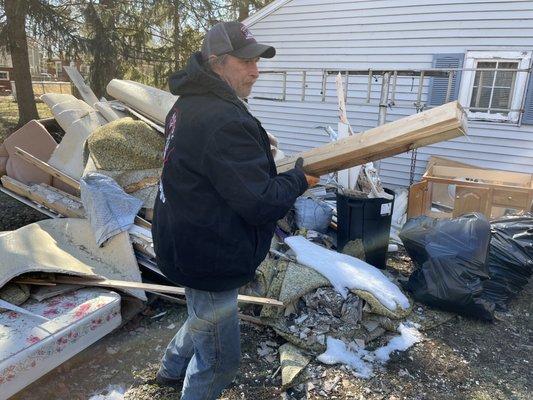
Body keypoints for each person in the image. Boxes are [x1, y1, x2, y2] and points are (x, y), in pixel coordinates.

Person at [151, 21, 319, 400]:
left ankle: (168, 371)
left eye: (257, 61)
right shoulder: (222, 119)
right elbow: (260, 202)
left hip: (183, 240)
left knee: (203, 315)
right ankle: (183, 382)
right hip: (208, 256)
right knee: (220, 362)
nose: (255, 71)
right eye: (245, 62)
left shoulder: (186, 104)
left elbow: (223, 178)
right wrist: (299, 180)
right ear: (217, 63)